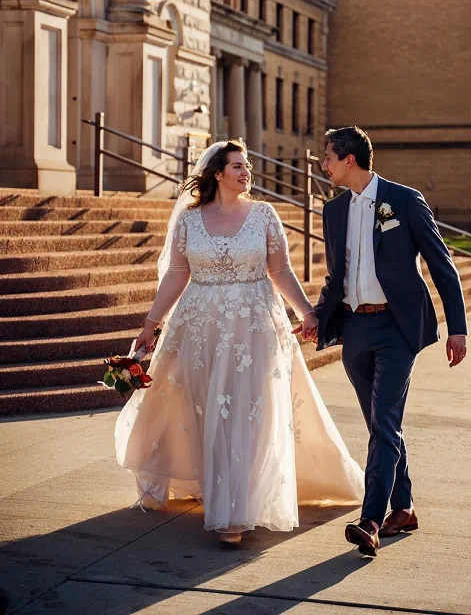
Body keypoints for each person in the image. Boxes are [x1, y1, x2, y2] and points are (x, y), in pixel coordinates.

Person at [115, 139, 364, 545]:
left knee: (246, 413)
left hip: (253, 326)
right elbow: (176, 275)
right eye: (236, 166)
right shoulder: (190, 220)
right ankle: (215, 488)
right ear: (217, 173)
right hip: (198, 327)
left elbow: (280, 270)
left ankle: (235, 511)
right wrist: (151, 324)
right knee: (204, 409)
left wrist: (306, 312)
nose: (246, 172)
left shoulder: (264, 215)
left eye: (247, 165)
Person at [306, 126, 468, 557]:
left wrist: (458, 327)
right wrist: (318, 317)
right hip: (356, 329)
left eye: (327, 157)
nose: (323, 164)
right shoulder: (334, 211)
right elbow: (335, 277)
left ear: (349, 160)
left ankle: (370, 520)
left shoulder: (405, 200)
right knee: (382, 424)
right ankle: (405, 507)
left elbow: (442, 264)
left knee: (384, 423)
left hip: (398, 328)